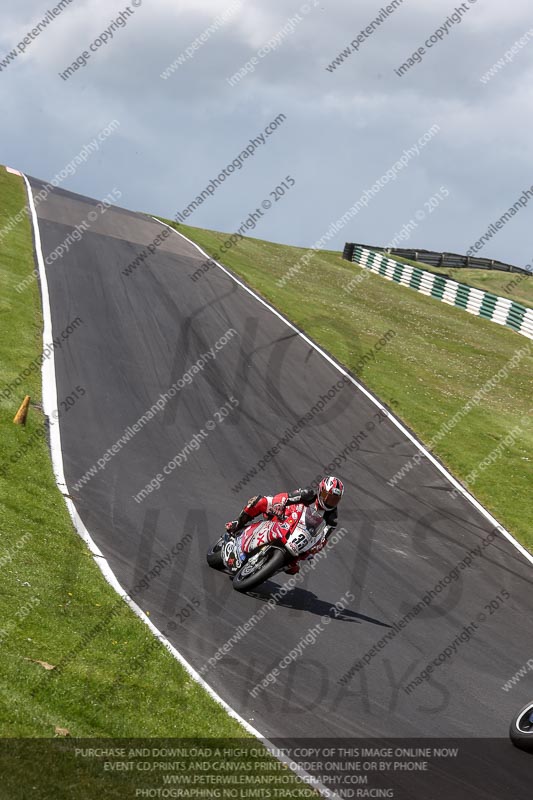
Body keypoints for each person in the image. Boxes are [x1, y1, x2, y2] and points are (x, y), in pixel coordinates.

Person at [225, 476, 344, 574]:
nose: (329, 501)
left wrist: (317, 548)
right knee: (260, 501)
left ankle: (278, 563)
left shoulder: (332, 519)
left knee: (295, 567)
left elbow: (323, 538)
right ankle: (237, 524)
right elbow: (286, 497)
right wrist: (278, 504)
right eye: (327, 496)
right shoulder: (307, 494)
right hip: (284, 516)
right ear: (320, 490)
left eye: (334, 499)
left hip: (300, 538)